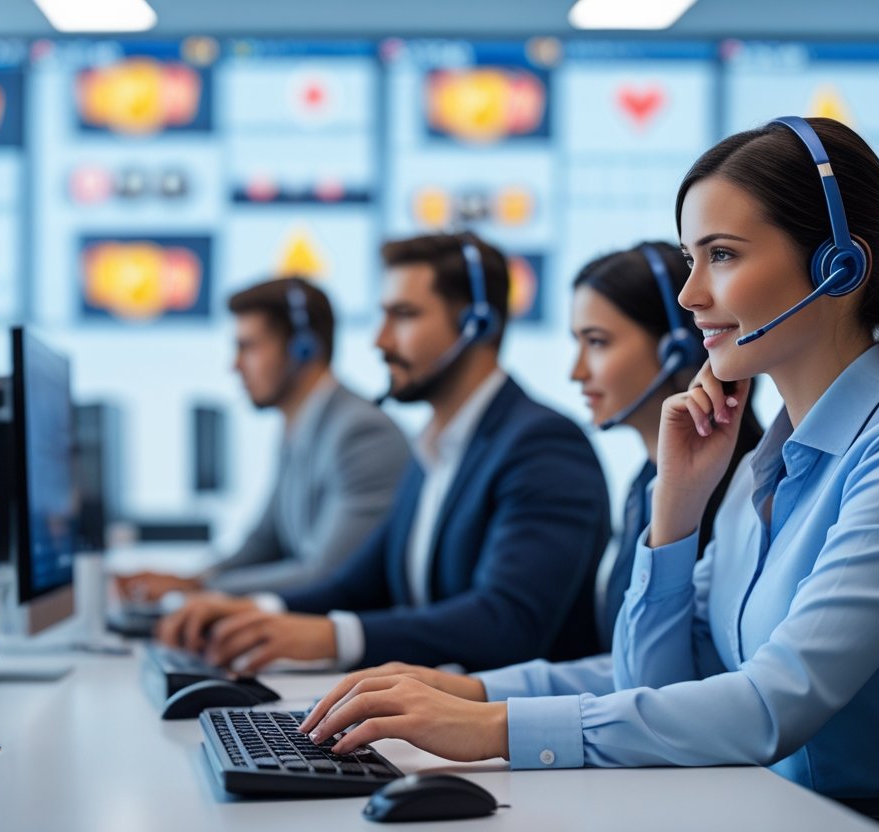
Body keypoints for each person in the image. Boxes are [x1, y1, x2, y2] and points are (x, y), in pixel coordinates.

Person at [297, 117, 879, 802]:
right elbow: (656, 677)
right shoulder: (754, 474)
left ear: (838, 267)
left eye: (722, 255)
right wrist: (675, 513)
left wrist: (490, 730)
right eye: (690, 258)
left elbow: (773, 704)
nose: (690, 294)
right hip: (756, 809)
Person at [157, 232, 611, 672]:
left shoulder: (543, 446)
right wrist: (256, 612)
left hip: (519, 739)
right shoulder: (433, 449)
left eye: (404, 315)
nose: (381, 340)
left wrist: (330, 638)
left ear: (478, 325)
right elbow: (357, 585)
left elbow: (504, 622)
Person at [115, 276, 410, 600]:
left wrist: (198, 590)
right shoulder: (298, 426)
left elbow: (325, 574)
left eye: (248, 347)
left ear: (303, 348)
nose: (235, 366)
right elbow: (263, 542)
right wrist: (189, 579)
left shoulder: (361, 434)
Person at [569, 242, 762, 647]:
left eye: (598, 342)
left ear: (679, 349)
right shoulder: (645, 481)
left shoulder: (741, 485)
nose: (577, 372)